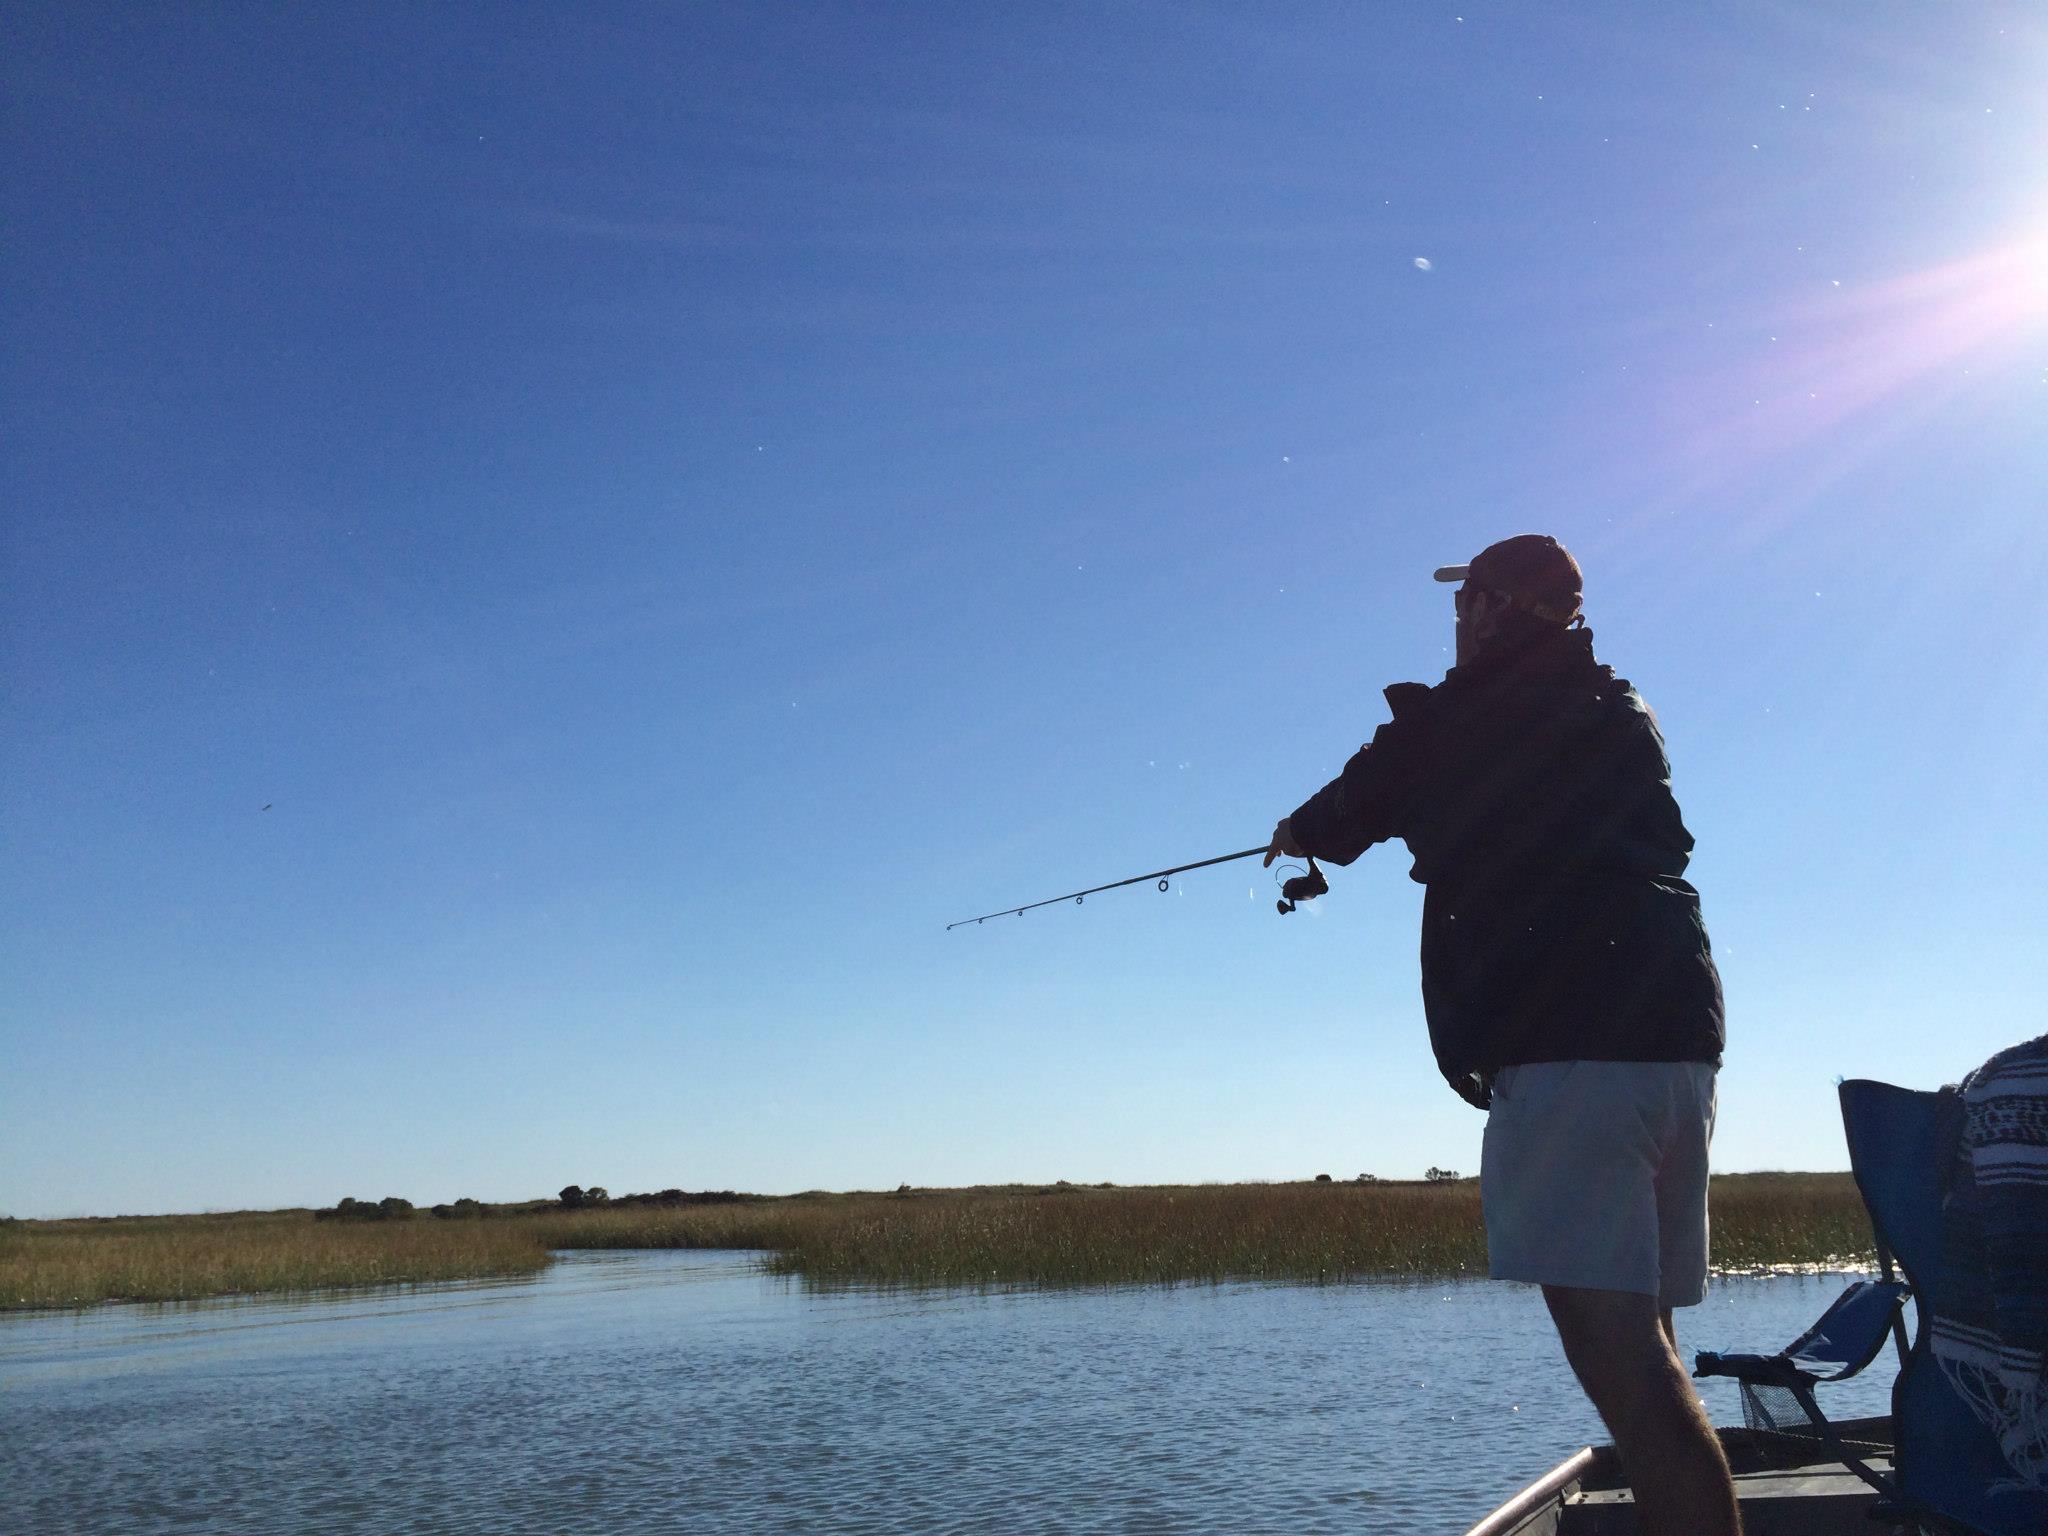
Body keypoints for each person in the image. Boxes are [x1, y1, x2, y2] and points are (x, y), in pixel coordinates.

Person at [1264, 534, 1739, 1536]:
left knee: (1625, 1369)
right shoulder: (1622, 711)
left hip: (1568, 1052)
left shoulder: (1454, 721)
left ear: (1488, 609)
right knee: (1645, 1339)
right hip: (1677, 1042)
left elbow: (1346, 811)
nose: (1453, 623)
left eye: (1462, 604)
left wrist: (1295, 836)